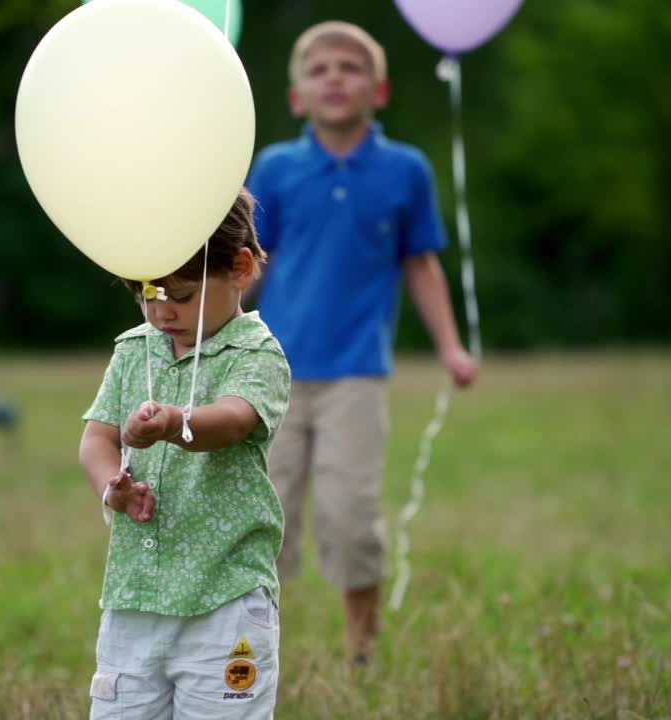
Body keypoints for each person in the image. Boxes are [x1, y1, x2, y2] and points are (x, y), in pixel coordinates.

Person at [245, 21, 479, 667]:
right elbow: (253, 261)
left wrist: (452, 348)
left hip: (357, 375)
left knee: (351, 520)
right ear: (297, 97)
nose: (335, 78)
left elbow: (422, 265)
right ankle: (255, 657)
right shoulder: (277, 167)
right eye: (319, 70)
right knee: (266, 515)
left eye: (349, 68)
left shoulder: (405, 171)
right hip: (273, 373)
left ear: (379, 89)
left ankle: (361, 655)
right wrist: (209, 330)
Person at [78, 189, 291, 719]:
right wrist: (114, 488)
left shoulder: (256, 352)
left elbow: (236, 419)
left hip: (225, 599)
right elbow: (98, 438)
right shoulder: (134, 349)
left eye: (181, 295)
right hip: (135, 598)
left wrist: (176, 422)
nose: (160, 310)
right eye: (147, 294)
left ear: (239, 269)